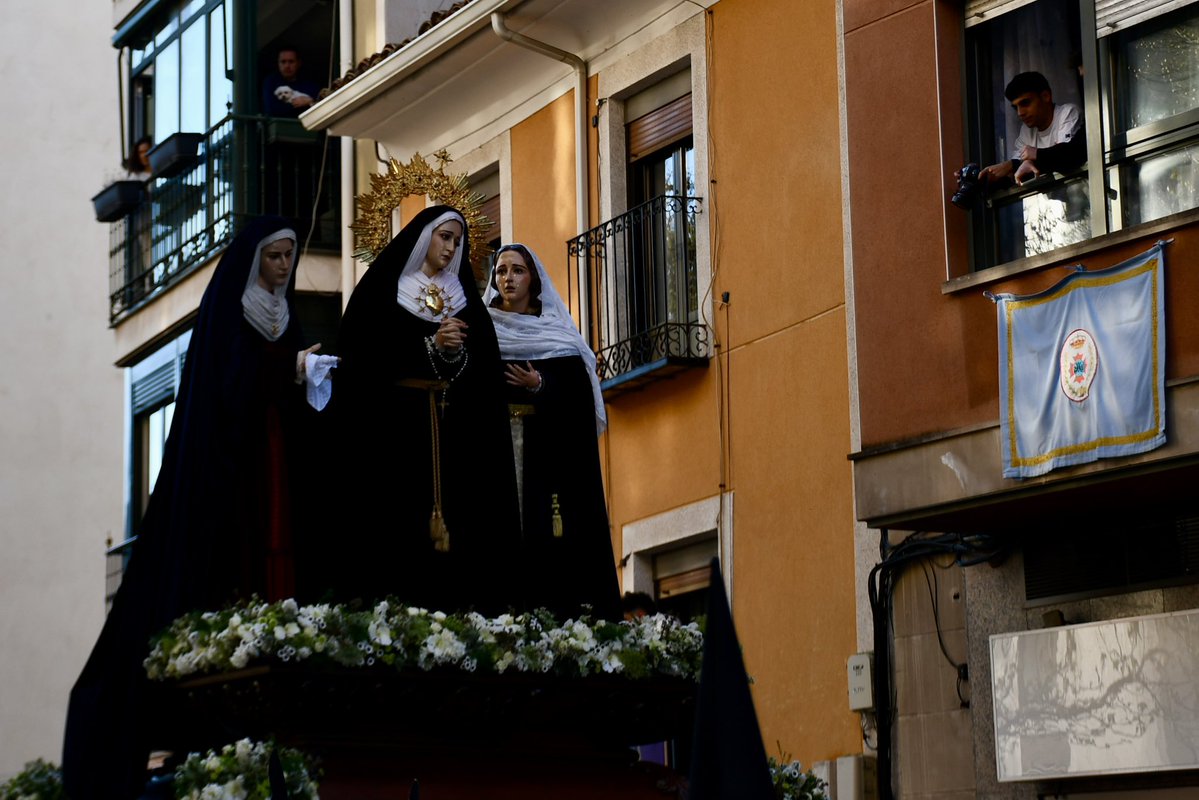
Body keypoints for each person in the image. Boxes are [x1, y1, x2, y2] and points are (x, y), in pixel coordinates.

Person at [63, 217, 323, 799]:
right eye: (275, 257)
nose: (284, 267)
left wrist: (301, 378)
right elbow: (227, 385)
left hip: (277, 449)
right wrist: (291, 368)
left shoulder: (285, 316)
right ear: (255, 260)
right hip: (234, 465)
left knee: (283, 531)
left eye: (289, 257)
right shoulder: (231, 312)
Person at [332, 206, 521, 612]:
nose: (452, 247)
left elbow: (482, 373)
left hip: (456, 434)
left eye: (458, 240)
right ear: (423, 238)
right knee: (399, 526)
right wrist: (429, 346)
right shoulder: (382, 291)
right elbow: (360, 362)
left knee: (461, 527)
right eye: (445, 237)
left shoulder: (464, 301)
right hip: (395, 433)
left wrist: (453, 354)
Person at [484, 243, 622, 620]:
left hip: (546, 460)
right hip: (494, 452)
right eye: (501, 271)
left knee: (546, 541)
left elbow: (579, 394)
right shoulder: (482, 331)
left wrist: (540, 383)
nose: (507, 278)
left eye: (517, 270)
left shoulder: (556, 335)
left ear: (533, 279)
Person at [979, 71, 1085, 186]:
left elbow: (1070, 156)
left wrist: (1035, 155)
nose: (1020, 113)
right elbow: (1019, 168)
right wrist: (994, 174)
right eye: (1016, 107)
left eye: (1025, 103)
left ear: (1046, 96)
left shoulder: (1067, 112)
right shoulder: (1026, 131)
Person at [261, 46, 319, 117]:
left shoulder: (309, 84)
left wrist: (310, 101)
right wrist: (300, 104)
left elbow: (319, 108)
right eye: (283, 62)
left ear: (299, 63)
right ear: (278, 63)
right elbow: (272, 110)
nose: (287, 66)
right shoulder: (271, 82)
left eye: (291, 61)